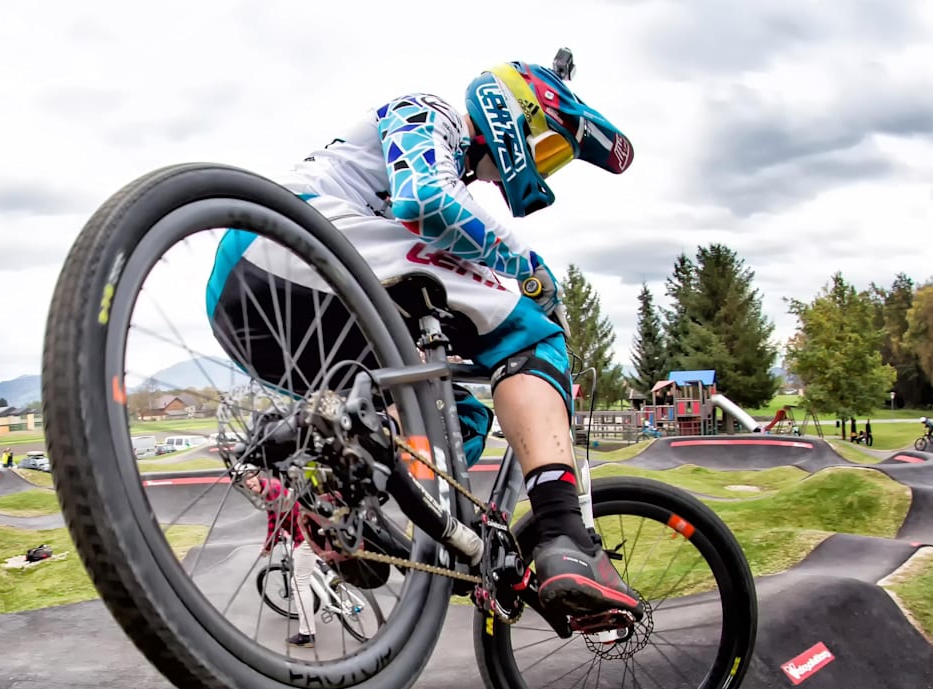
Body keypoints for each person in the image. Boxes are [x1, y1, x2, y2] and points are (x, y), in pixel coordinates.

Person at [206, 48, 640, 620]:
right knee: (532, 337)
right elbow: (426, 201)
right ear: (517, 113)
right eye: (549, 148)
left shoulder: (436, 154)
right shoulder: (430, 110)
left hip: (249, 306)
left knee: (458, 415)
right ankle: (564, 535)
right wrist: (525, 266)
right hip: (301, 243)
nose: (543, 166)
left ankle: (336, 502)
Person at [238, 468, 319, 648]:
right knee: (305, 563)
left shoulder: (271, 491)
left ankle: (307, 635)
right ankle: (330, 576)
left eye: (250, 479)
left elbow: (273, 524)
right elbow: (283, 515)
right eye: (245, 483)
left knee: (298, 584)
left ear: (257, 476)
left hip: (304, 536)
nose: (249, 484)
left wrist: (267, 548)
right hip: (311, 529)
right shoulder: (273, 485)